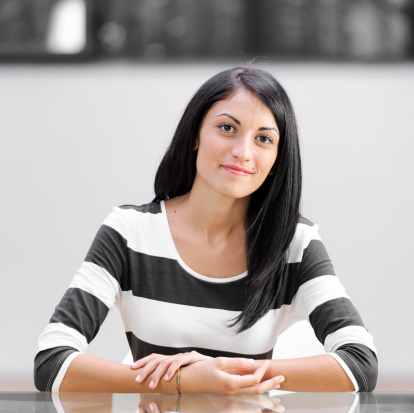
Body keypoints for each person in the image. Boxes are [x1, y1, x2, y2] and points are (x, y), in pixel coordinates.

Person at [34, 67, 378, 394]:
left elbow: (360, 363)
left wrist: (224, 374)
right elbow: (52, 362)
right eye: (227, 128)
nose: (243, 152)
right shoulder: (129, 232)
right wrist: (182, 382)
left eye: (263, 138)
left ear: (277, 159)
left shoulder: (295, 244)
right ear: (195, 135)